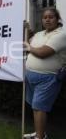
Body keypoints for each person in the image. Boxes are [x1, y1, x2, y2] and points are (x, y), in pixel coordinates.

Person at [24, 8, 66, 139]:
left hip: (48, 78)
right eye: (44, 17)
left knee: (40, 107)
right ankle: (39, 133)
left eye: (51, 17)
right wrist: (27, 30)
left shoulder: (61, 35)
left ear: (57, 19)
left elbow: (43, 53)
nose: (47, 19)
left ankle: (40, 137)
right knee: (35, 107)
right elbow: (27, 44)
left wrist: (29, 47)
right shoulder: (39, 34)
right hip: (31, 75)